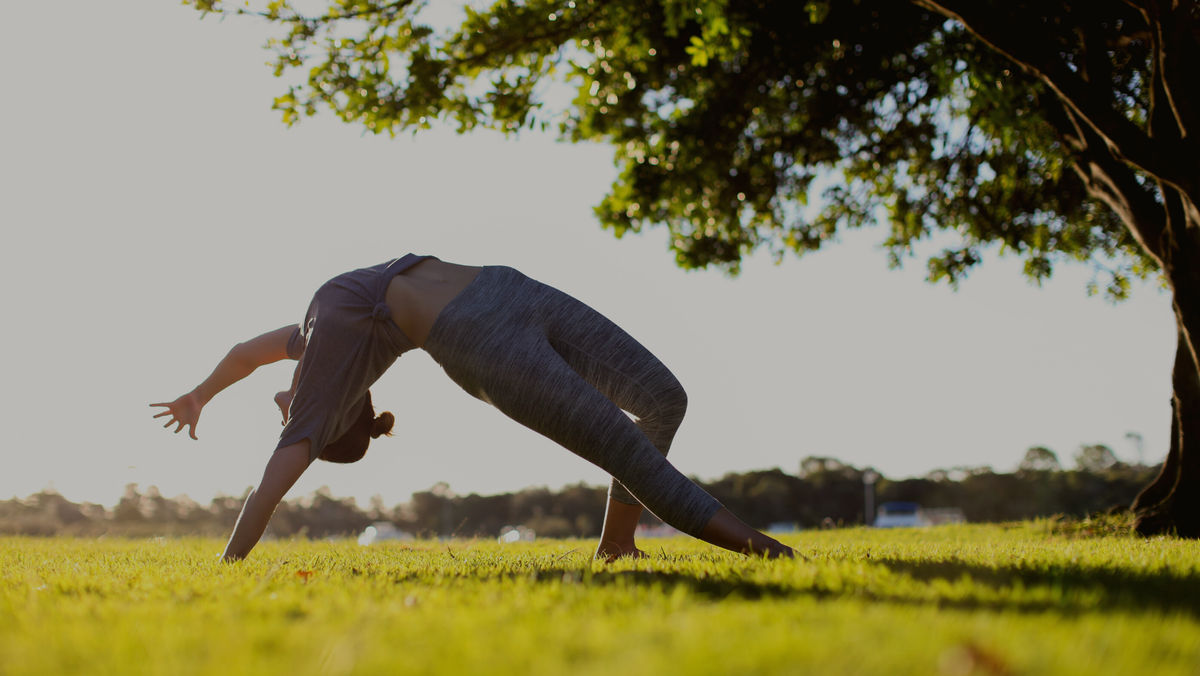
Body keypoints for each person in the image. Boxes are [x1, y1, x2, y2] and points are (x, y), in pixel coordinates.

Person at [151, 255, 794, 561]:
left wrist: (199, 394)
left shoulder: (317, 338)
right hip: (487, 347)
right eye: (296, 420)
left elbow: (244, 353)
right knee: (621, 445)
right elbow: (266, 493)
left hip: (508, 287)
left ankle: (617, 545)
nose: (288, 411)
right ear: (336, 420)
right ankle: (765, 550)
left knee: (662, 400)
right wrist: (229, 563)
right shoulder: (323, 395)